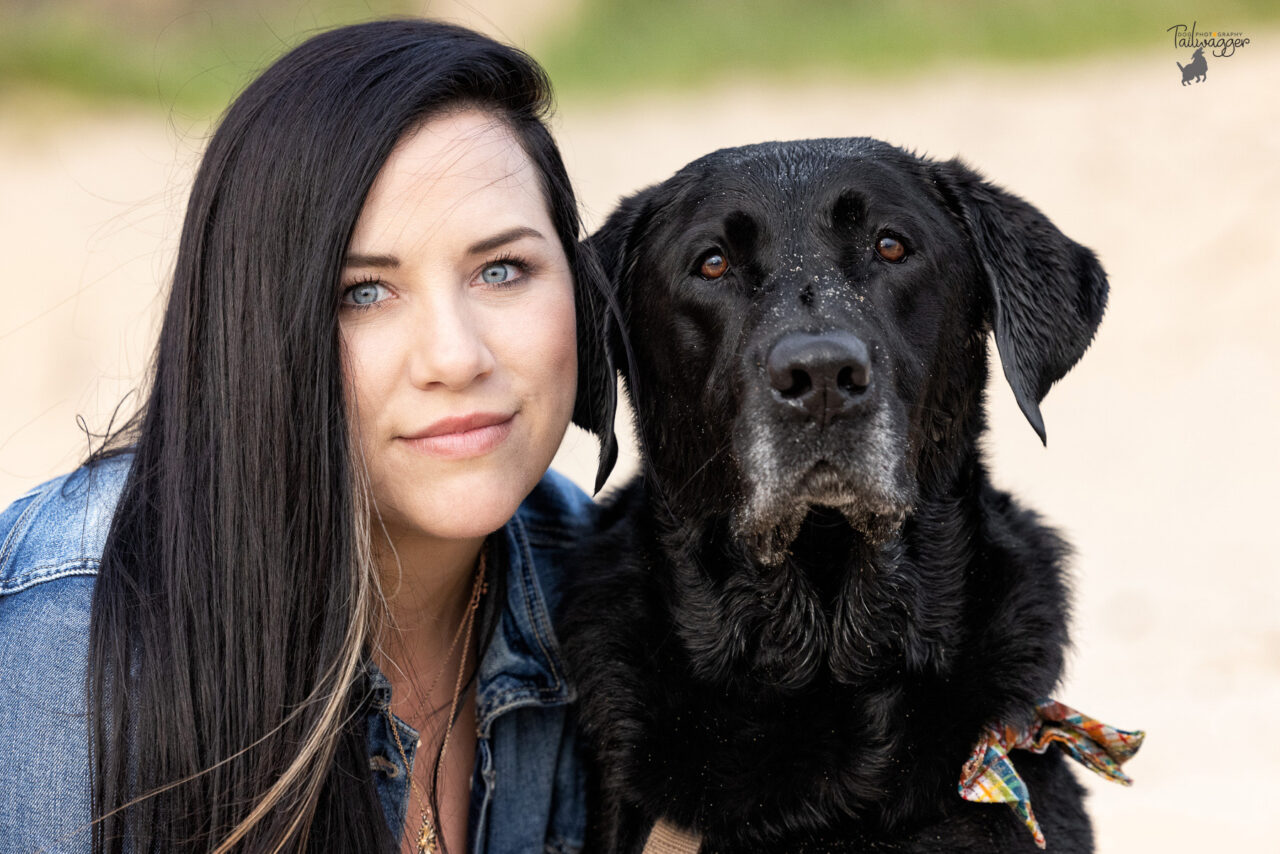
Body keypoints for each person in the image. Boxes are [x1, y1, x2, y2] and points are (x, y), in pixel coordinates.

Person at [0, 18, 617, 854]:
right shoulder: (74, 633)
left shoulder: (606, 589)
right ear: (255, 330)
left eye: (501, 270)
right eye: (363, 292)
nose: (454, 356)